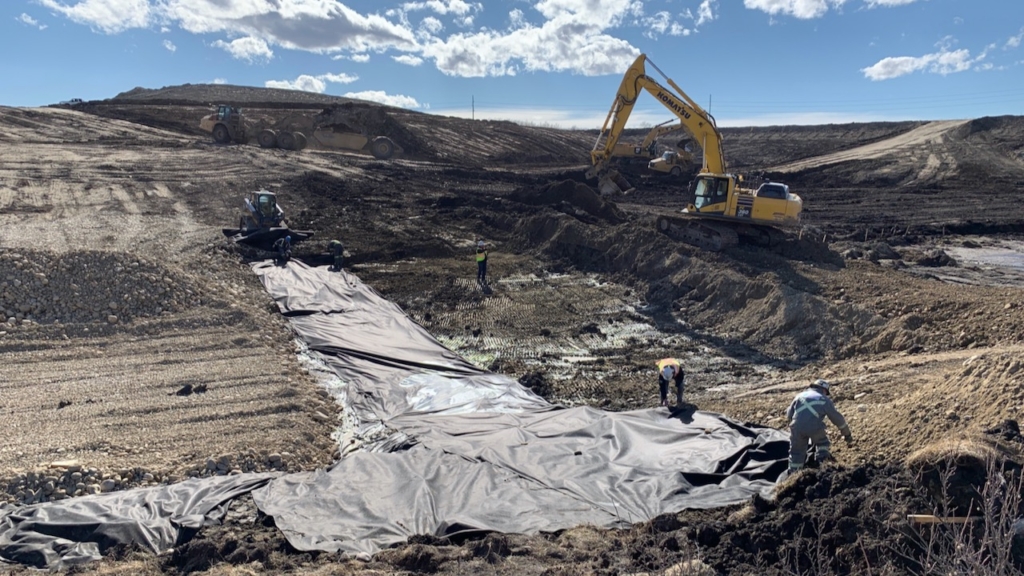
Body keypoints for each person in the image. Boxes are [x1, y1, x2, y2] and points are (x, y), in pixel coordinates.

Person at [785, 379, 853, 473]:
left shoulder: (799, 396)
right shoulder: (824, 399)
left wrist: (794, 428)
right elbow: (838, 419)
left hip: (796, 427)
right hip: (814, 427)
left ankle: (793, 475)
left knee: (796, 452)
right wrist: (847, 434)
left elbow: (789, 414)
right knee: (822, 444)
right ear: (824, 390)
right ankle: (822, 469)